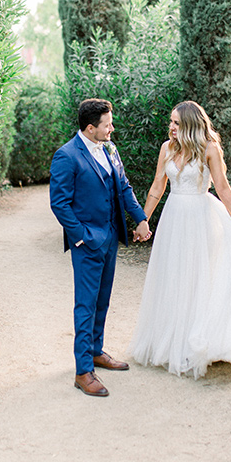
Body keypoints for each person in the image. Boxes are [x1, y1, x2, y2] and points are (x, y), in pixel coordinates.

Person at [129, 101, 231, 379]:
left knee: (201, 274)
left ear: (190, 124)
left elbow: (221, 186)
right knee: (175, 275)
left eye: (176, 123)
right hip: (174, 217)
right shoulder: (167, 148)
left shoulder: (210, 148)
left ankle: (204, 336)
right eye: (170, 122)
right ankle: (175, 335)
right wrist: (143, 219)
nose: (171, 127)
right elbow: (158, 186)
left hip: (201, 216)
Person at [50, 98, 151, 397]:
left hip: (110, 237)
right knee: (85, 304)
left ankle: (95, 350)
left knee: (102, 300)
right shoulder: (67, 156)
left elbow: (123, 187)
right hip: (88, 242)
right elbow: (59, 203)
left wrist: (140, 219)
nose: (112, 128)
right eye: (107, 124)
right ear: (91, 127)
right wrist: (81, 236)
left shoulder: (110, 148)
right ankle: (83, 371)